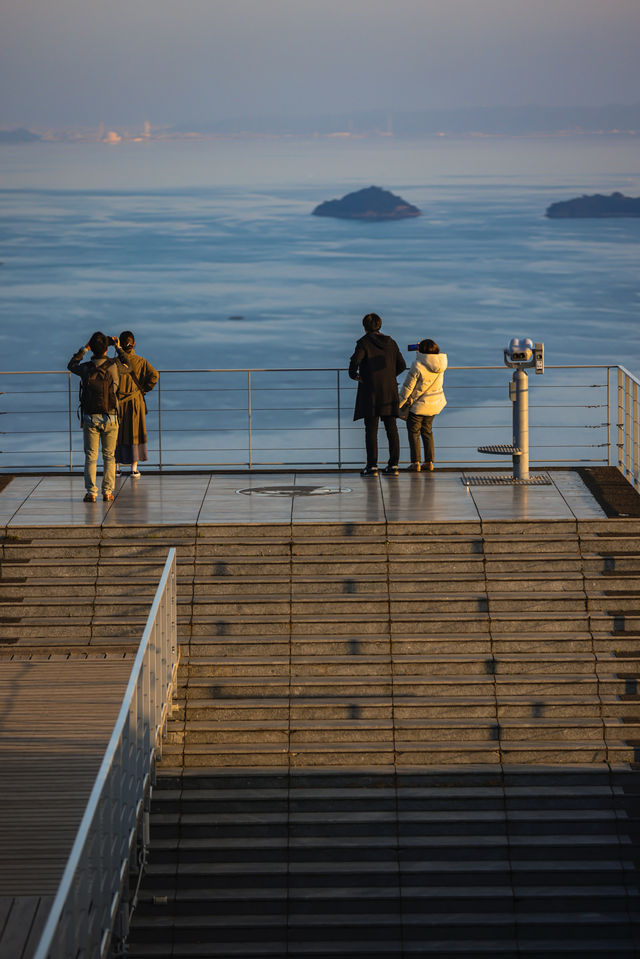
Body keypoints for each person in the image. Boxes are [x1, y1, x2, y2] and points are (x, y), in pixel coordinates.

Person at [68, 331, 129, 502]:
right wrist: (119, 348)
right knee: (109, 456)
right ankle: (108, 492)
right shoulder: (114, 365)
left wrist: (84, 348)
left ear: (92, 348)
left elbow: (71, 365)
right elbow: (129, 366)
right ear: (106, 349)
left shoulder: (86, 368)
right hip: (110, 417)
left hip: (90, 417)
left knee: (91, 456)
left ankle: (91, 493)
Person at [349, 313, 406, 476]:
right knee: (392, 428)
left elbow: (354, 363)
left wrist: (355, 376)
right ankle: (393, 465)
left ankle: (372, 466)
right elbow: (401, 365)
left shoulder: (363, 343)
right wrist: (389, 376)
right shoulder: (391, 342)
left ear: (364, 327)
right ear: (380, 325)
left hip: (370, 391)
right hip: (389, 390)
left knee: (371, 429)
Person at [398, 338, 448, 472]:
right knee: (427, 432)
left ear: (421, 351)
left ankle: (416, 463)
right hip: (434, 404)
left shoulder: (418, 365)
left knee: (414, 433)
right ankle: (429, 462)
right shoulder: (441, 365)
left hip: (418, 406)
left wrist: (399, 403)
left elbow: (408, 387)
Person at [115, 331, 159, 478]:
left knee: (117, 433)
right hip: (135, 401)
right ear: (134, 344)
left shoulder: (114, 363)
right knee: (135, 433)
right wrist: (144, 390)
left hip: (118, 401)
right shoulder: (141, 361)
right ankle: (134, 468)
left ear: (119, 344)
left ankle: (116, 467)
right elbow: (154, 375)